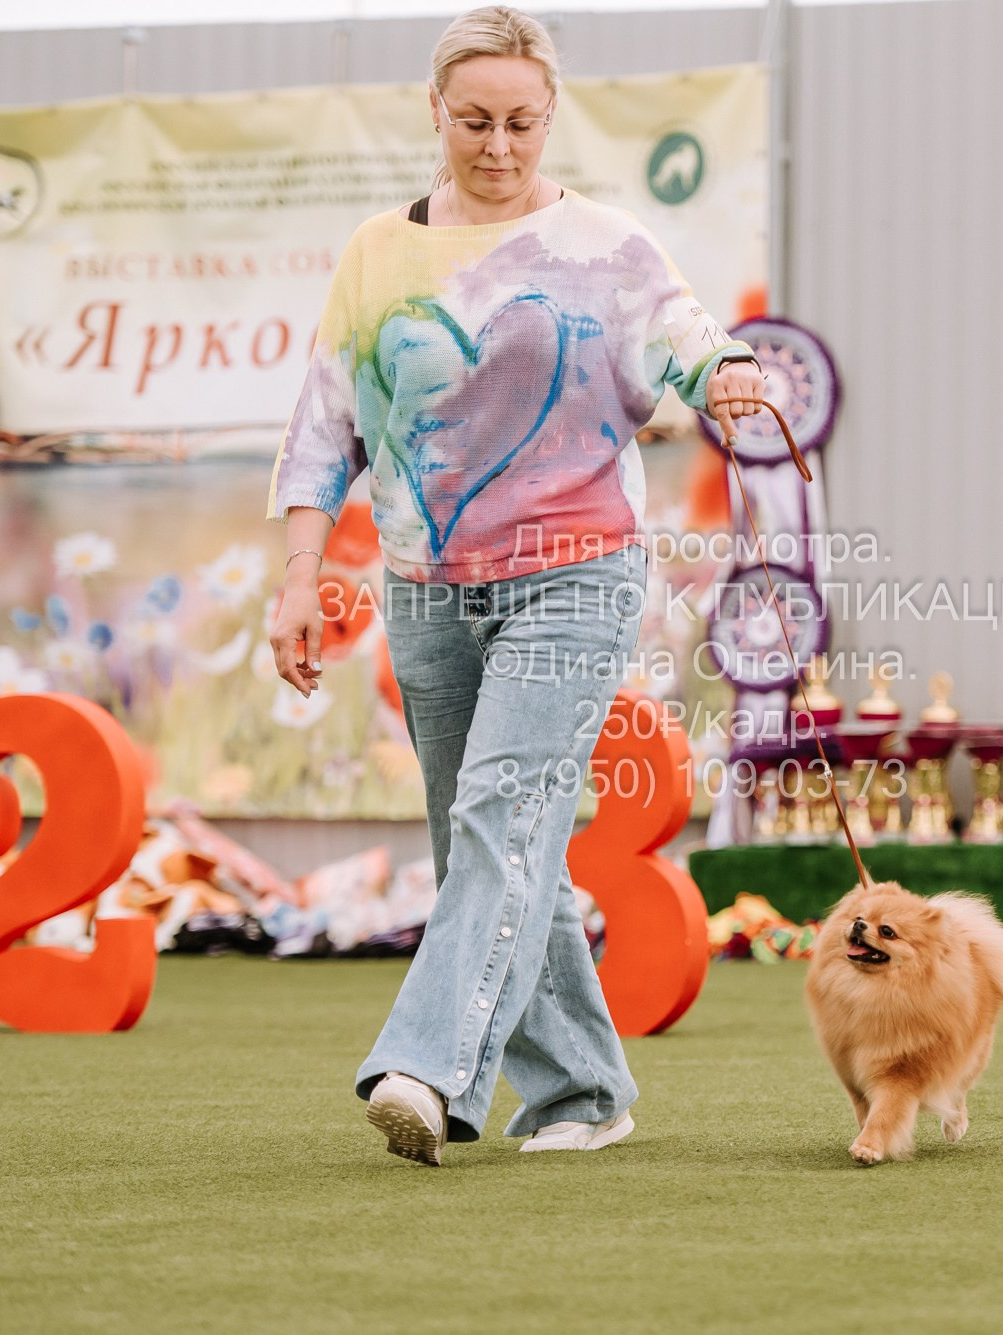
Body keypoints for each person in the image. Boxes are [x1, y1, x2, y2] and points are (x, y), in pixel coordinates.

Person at [266, 4, 765, 1166]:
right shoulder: (374, 255)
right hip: (426, 586)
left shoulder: (608, 247)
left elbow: (696, 340)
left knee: (502, 814)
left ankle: (426, 1075)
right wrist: (299, 578)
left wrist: (731, 376)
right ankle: (584, 1090)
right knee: (486, 842)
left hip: (576, 574)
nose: (498, 144)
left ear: (551, 117)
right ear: (434, 111)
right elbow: (321, 430)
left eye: (522, 122)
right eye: (475, 120)